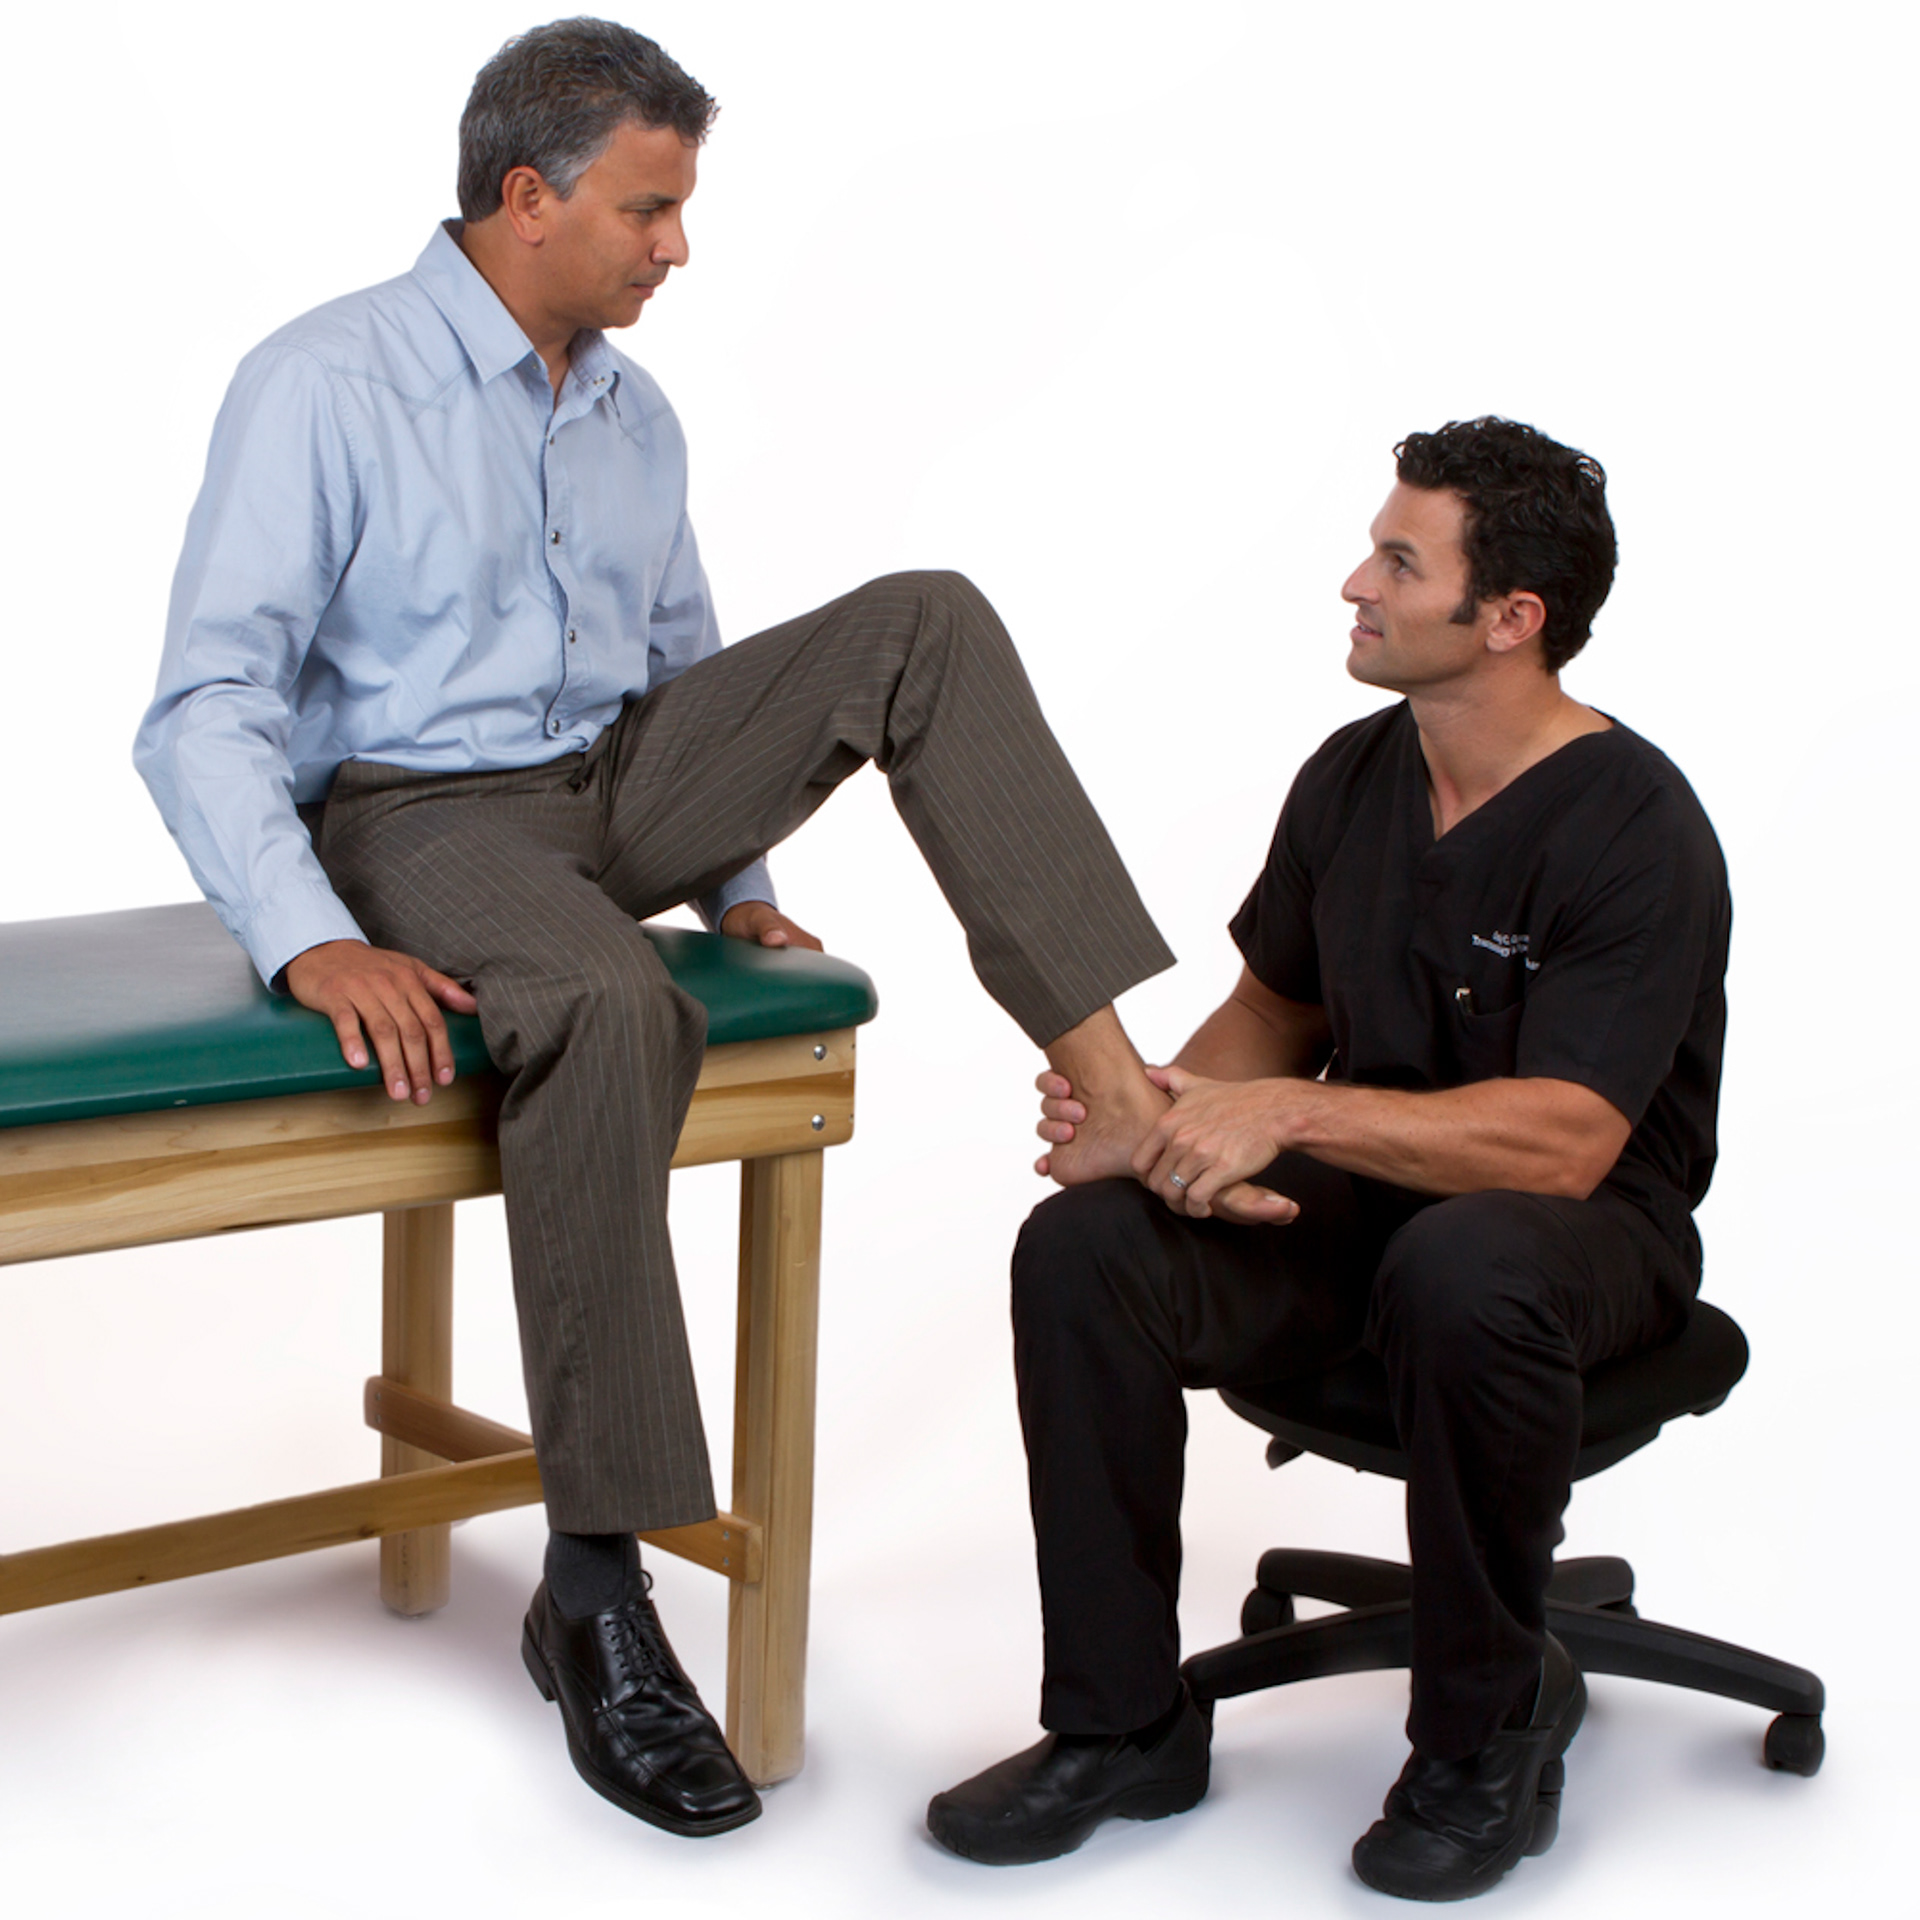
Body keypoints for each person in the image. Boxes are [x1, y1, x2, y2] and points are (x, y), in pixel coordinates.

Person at [134, 18, 1176, 1838]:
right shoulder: (324, 380)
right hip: (415, 816)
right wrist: (309, 939)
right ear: (525, 199)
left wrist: (743, 886)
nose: (678, 246)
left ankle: (1116, 1080)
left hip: (608, 786)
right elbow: (204, 703)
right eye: (649, 208)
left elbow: (685, 672)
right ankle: (598, 1587)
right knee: (611, 1002)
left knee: (923, 618)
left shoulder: (634, 412)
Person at [926, 418, 1731, 1902]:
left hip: (1583, 1239)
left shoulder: (1635, 824)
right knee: (1089, 1251)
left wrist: (1290, 1118)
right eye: (1373, 549)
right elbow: (1273, 1016)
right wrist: (1152, 1120)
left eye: (1400, 562)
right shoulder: (1358, 776)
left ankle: (1483, 1742)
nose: (1356, 583)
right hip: (1378, 1216)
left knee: (1469, 1262)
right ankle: (1121, 1726)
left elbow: (1565, 1143)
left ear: (1511, 617)